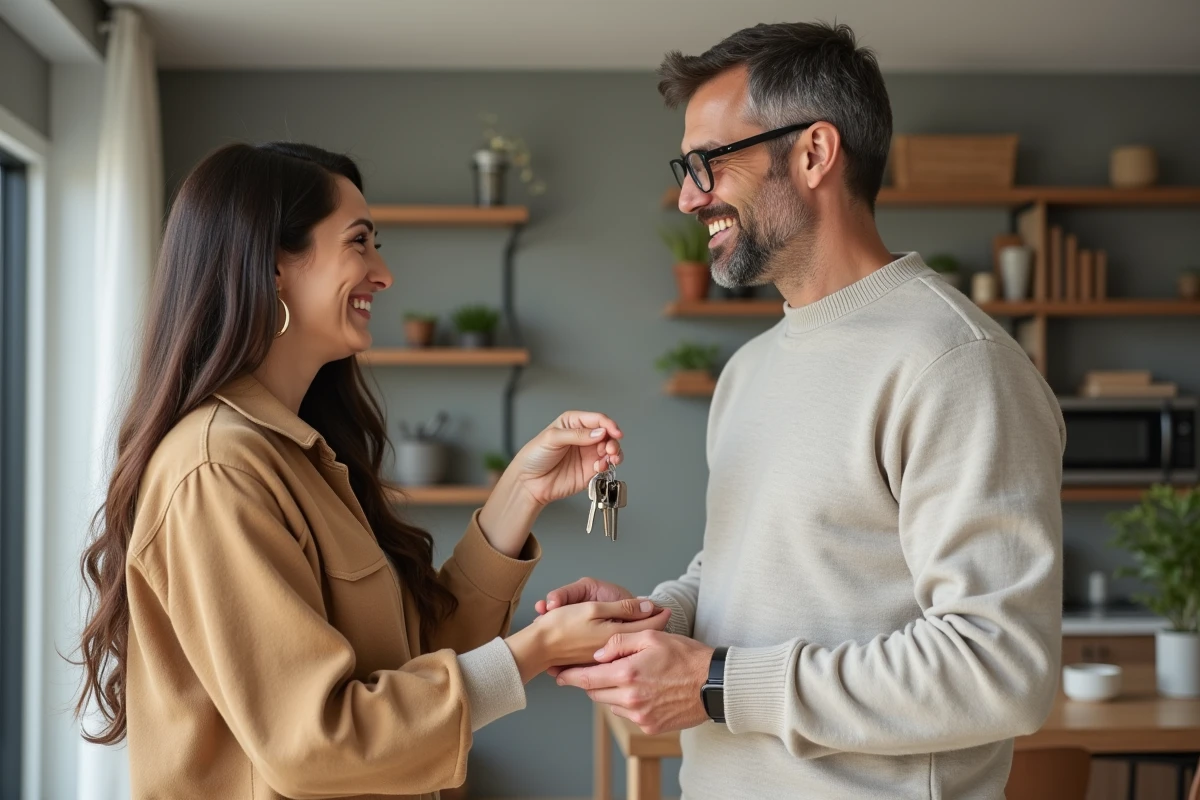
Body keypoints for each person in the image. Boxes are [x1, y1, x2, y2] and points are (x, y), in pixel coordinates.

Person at [544, 21, 1066, 799]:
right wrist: (659, 618)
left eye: (707, 162)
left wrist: (718, 684)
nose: (689, 195)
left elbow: (1000, 668)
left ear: (815, 153)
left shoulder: (956, 361)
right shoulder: (750, 371)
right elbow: (746, 577)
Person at [73, 142, 669, 800]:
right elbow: (316, 743)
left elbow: (414, 658)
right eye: (360, 243)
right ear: (272, 266)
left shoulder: (297, 455)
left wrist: (523, 490)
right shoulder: (218, 470)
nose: (383, 274)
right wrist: (533, 651)